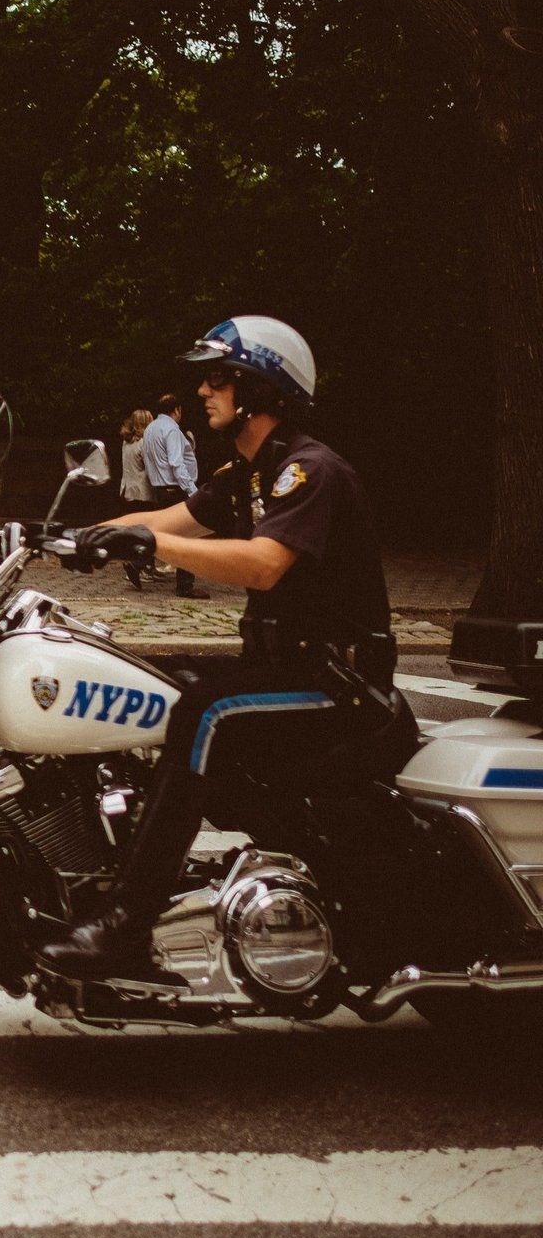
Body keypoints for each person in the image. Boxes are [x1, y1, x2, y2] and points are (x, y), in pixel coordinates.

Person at [37, 315, 403, 984]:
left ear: (260, 389)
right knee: (142, 681)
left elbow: (263, 564)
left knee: (204, 711)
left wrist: (151, 544)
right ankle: (109, 871)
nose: (203, 391)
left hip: (340, 686)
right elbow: (164, 518)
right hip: (282, 668)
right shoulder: (249, 473)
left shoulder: (307, 471)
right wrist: (61, 535)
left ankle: (126, 922)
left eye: (218, 379)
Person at [140, 392, 210, 599]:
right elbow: (176, 463)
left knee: (159, 530)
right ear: (177, 410)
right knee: (188, 534)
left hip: (159, 488)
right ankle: (185, 586)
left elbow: (148, 459)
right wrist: (192, 491)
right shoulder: (171, 429)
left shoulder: (150, 428)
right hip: (175, 489)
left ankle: (136, 561)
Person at [116, 407, 158, 589]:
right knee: (148, 531)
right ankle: (142, 565)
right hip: (143, 492)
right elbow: (150, 468)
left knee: (134, 530)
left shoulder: (126, 442)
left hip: (127, 489)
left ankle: (143, 564)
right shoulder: (143, 444)